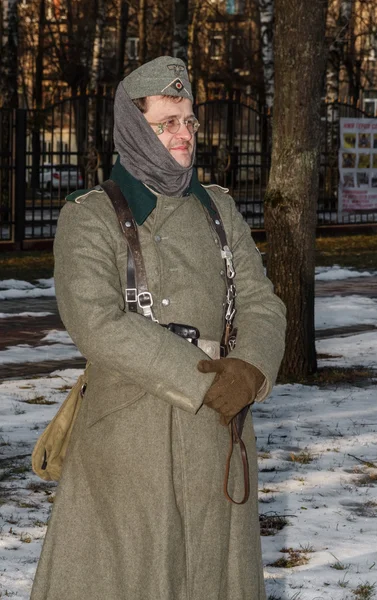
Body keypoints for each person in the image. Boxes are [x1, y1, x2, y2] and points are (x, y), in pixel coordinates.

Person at [31, 56, 286, 600]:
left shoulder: (217, 207)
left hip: (218, 436)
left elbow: (264, 302)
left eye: (189, 121)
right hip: (130, 443)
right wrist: (203, 381)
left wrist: (251, 370)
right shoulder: (91, 213)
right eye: (167, 122)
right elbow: (96, 322)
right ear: (133, 127)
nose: (184, 133)